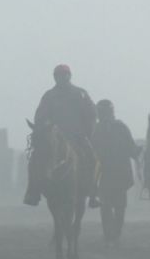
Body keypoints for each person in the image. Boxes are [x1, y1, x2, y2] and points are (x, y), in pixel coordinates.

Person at [24, 64, 100, 207]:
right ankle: (32, 192)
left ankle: (93, 193)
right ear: (55, 78)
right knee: (35, 160)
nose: (61, 78)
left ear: (69, 76)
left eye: (64, 75)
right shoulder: (49, 96)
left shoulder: (80, 94)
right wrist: (44, 127)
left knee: (93, 159)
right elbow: (40, 116)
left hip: (77, 136)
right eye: (58, 76)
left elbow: (91, 115)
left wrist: (87, 133)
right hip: (53, 138)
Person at [91, 99, 141, 244]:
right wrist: (138, 151)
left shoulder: (99, 129)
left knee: (110, 206)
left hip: (109, 174)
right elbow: (132, 149)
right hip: (116, 174)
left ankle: (111, 235)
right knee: (116, 207)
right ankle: (113, 235)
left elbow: (91, 152)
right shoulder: (118, 127)